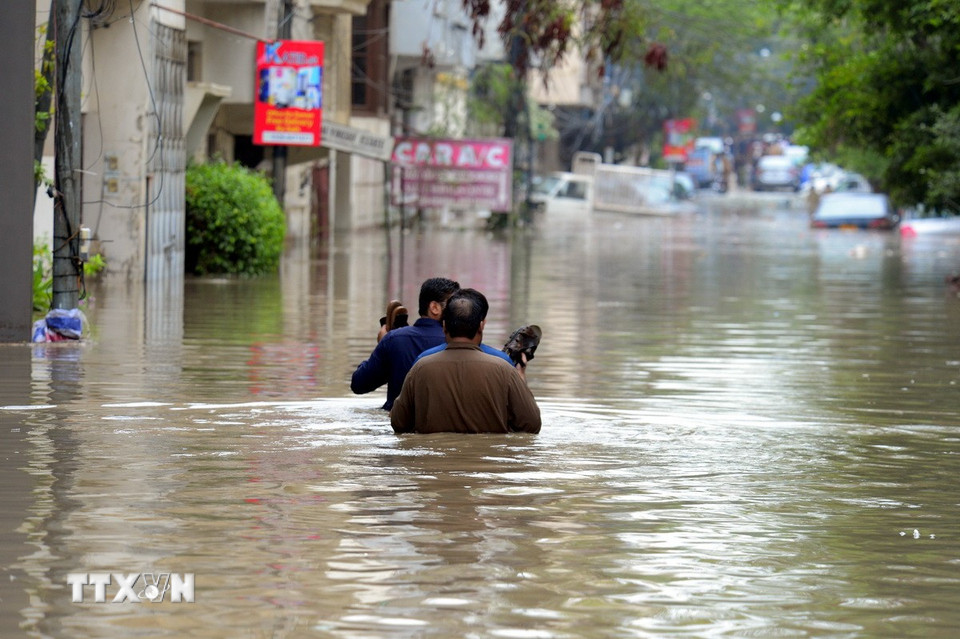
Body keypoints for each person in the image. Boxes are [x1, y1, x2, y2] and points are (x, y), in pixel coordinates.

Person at [390, 288, 541, 434]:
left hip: (432, 457)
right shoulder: (504, 369)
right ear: (481, 326)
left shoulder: (421, 368)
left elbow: (398, 423)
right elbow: (531, 424)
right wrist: (520, 378)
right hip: (488, 458)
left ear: (444, 326)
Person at [351, 277, 460, 410]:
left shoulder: (394, 340)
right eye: (454, 305)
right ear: (434, 308)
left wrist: (384, 346)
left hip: (395, 422)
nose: (459, 310)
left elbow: (359, 384)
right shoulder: (461, 342)